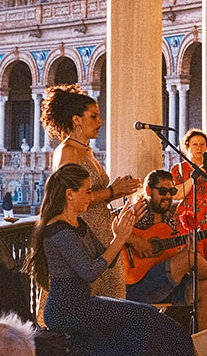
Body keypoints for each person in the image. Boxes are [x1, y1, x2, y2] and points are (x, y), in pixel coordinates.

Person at [26, 163, 194, 356]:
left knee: (127, 329)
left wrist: (120, 234)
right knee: (141, 317)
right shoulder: (58, 231)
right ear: (70, 194)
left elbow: (107, 258)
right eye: (86, 192)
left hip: (82, 302)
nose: (90, 197)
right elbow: (91, 271)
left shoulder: (77, 224)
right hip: (67, 309)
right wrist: (119, 239)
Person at [41, 84, 139, 299]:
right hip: (81, 234)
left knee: (112, 300)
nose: (99, 122)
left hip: (100, 232)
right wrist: (113, 191)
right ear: (77, 120)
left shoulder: (87, 151)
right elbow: (70, 196)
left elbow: (91, 192)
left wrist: (117, 192)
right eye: (93, 116)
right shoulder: (67, 151)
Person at [124, 169, 207, 330]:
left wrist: (187, 248)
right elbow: (109, 228)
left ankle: (195, 348)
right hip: (137, 285)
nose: (168, 196)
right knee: (188, 258)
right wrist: (135, 240)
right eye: (163, 191)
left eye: (172, 191)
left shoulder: (170, 221)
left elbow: (170, 256)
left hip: (164, 285)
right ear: (149, 191)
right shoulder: (137, 212)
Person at [170, 128, 207, 270]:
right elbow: (177, 194)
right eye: (195, 144)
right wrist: (194, 176)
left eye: (202, 144)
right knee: (189, 259)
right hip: (188, 219)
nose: (199, 148)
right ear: (187, 147)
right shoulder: (178, 169)